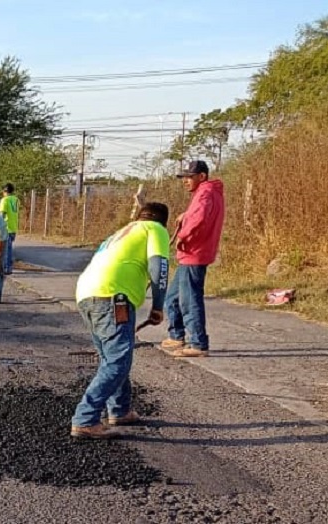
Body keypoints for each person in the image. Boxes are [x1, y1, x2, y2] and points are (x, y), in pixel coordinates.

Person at [71, 202, 171, 439]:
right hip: (113, 298)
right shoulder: (155, 229)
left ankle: (120, 409)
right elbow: (160, 267)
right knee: (117, 363)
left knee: (112, 358)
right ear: (162, 221)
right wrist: (158, 306)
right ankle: (85, 419)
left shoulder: (121, 233)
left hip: (86, 294)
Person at [161, 160, 226, 358]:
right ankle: (177, 335)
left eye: (189, 177)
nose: (185, 181)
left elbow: (199, 220)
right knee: (172, 297)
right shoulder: (208, 193)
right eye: (184, 177)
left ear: (202, 176)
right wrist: (185, 215)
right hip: (191, 254)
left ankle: (198, 343)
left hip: (195, 253)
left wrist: (182, 236)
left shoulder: (205, 193)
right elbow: (196, 215)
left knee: (189, 300)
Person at [0, 183, 20, 274]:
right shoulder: (16, 200)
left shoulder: (4, 200)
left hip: (6, 227)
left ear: (5, 191)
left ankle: (6, 268)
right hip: (14, 226)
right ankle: (9, 267)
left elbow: (2, 214)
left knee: (6, 250)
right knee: (10, 249)